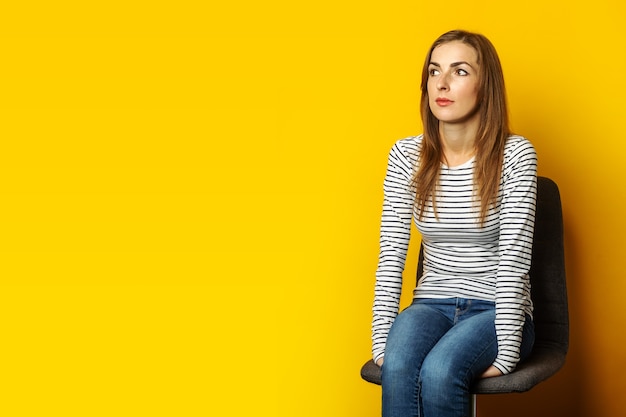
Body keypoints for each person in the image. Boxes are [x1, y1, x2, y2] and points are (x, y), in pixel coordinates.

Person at [371, 30, 537, 417]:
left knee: (442, 371)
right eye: (434, 71)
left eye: (459, 71)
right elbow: (392, 252)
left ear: (486, 86)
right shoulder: (406, 155)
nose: (441, 84)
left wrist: (508, 348)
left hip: (495, 309)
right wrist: (383, 341)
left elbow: (514, 258)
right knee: (398, 366)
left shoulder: (515, 155)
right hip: (431, 304)